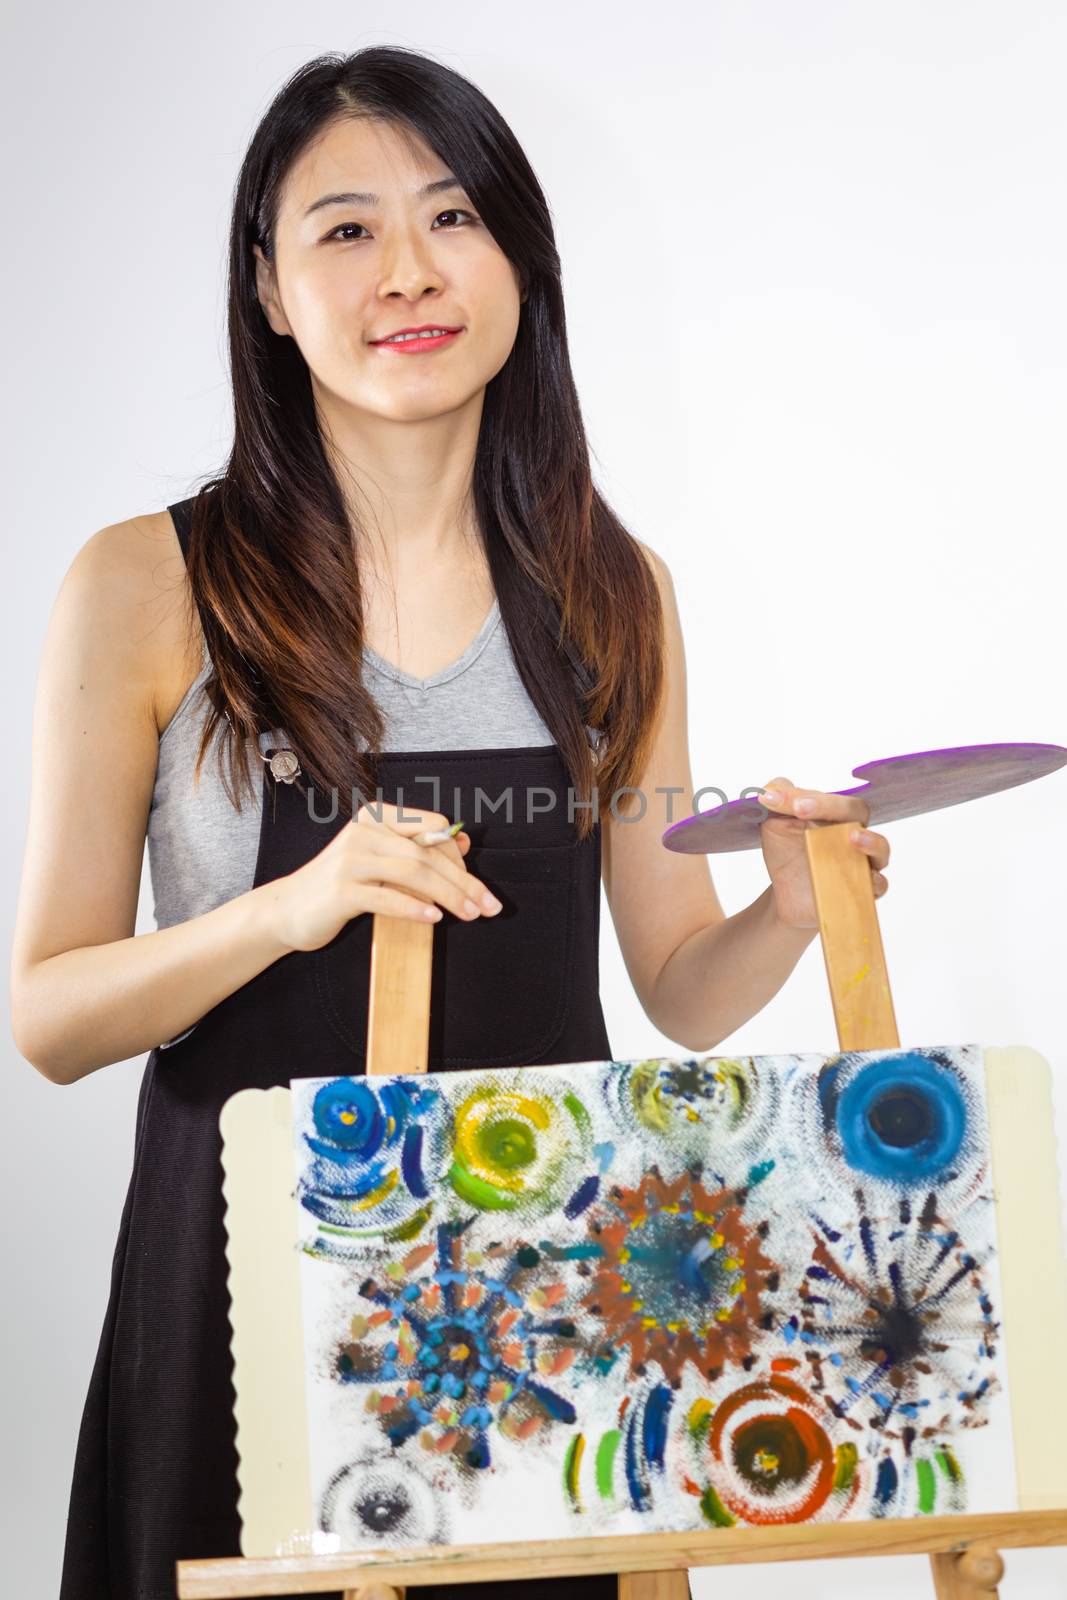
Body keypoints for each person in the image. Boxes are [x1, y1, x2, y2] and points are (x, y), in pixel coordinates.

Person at [10, 45, 891, 1600]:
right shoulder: (147, 586)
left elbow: (673, 986)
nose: (409, 271)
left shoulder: (616, 589)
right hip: (244, 1294)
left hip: (541, 1312)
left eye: (455, 217)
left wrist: (786, 907)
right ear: (269, 291)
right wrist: (287, 907)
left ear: (520, 267)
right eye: (345, 230)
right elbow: (52, 1014)